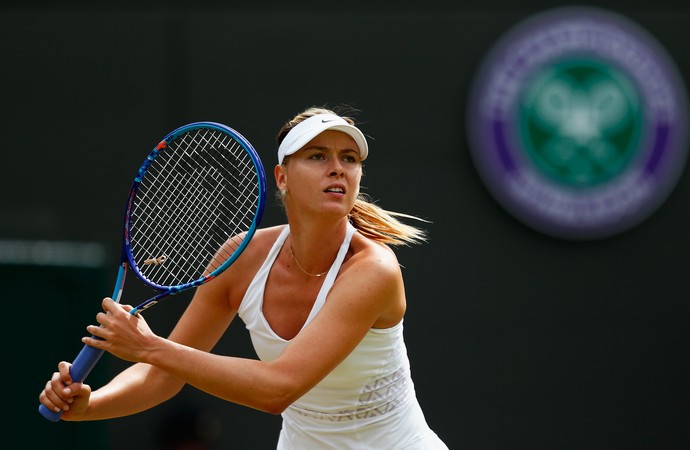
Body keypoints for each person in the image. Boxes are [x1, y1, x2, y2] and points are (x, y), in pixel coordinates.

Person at [39, 106, 448, 449]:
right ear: (282, 177)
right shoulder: (242, 259)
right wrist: (90, 406)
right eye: (318, 156)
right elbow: (161, 378)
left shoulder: (373, 270)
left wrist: (149, 346)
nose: (338, 168)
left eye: (350, 159)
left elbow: (278, 389)